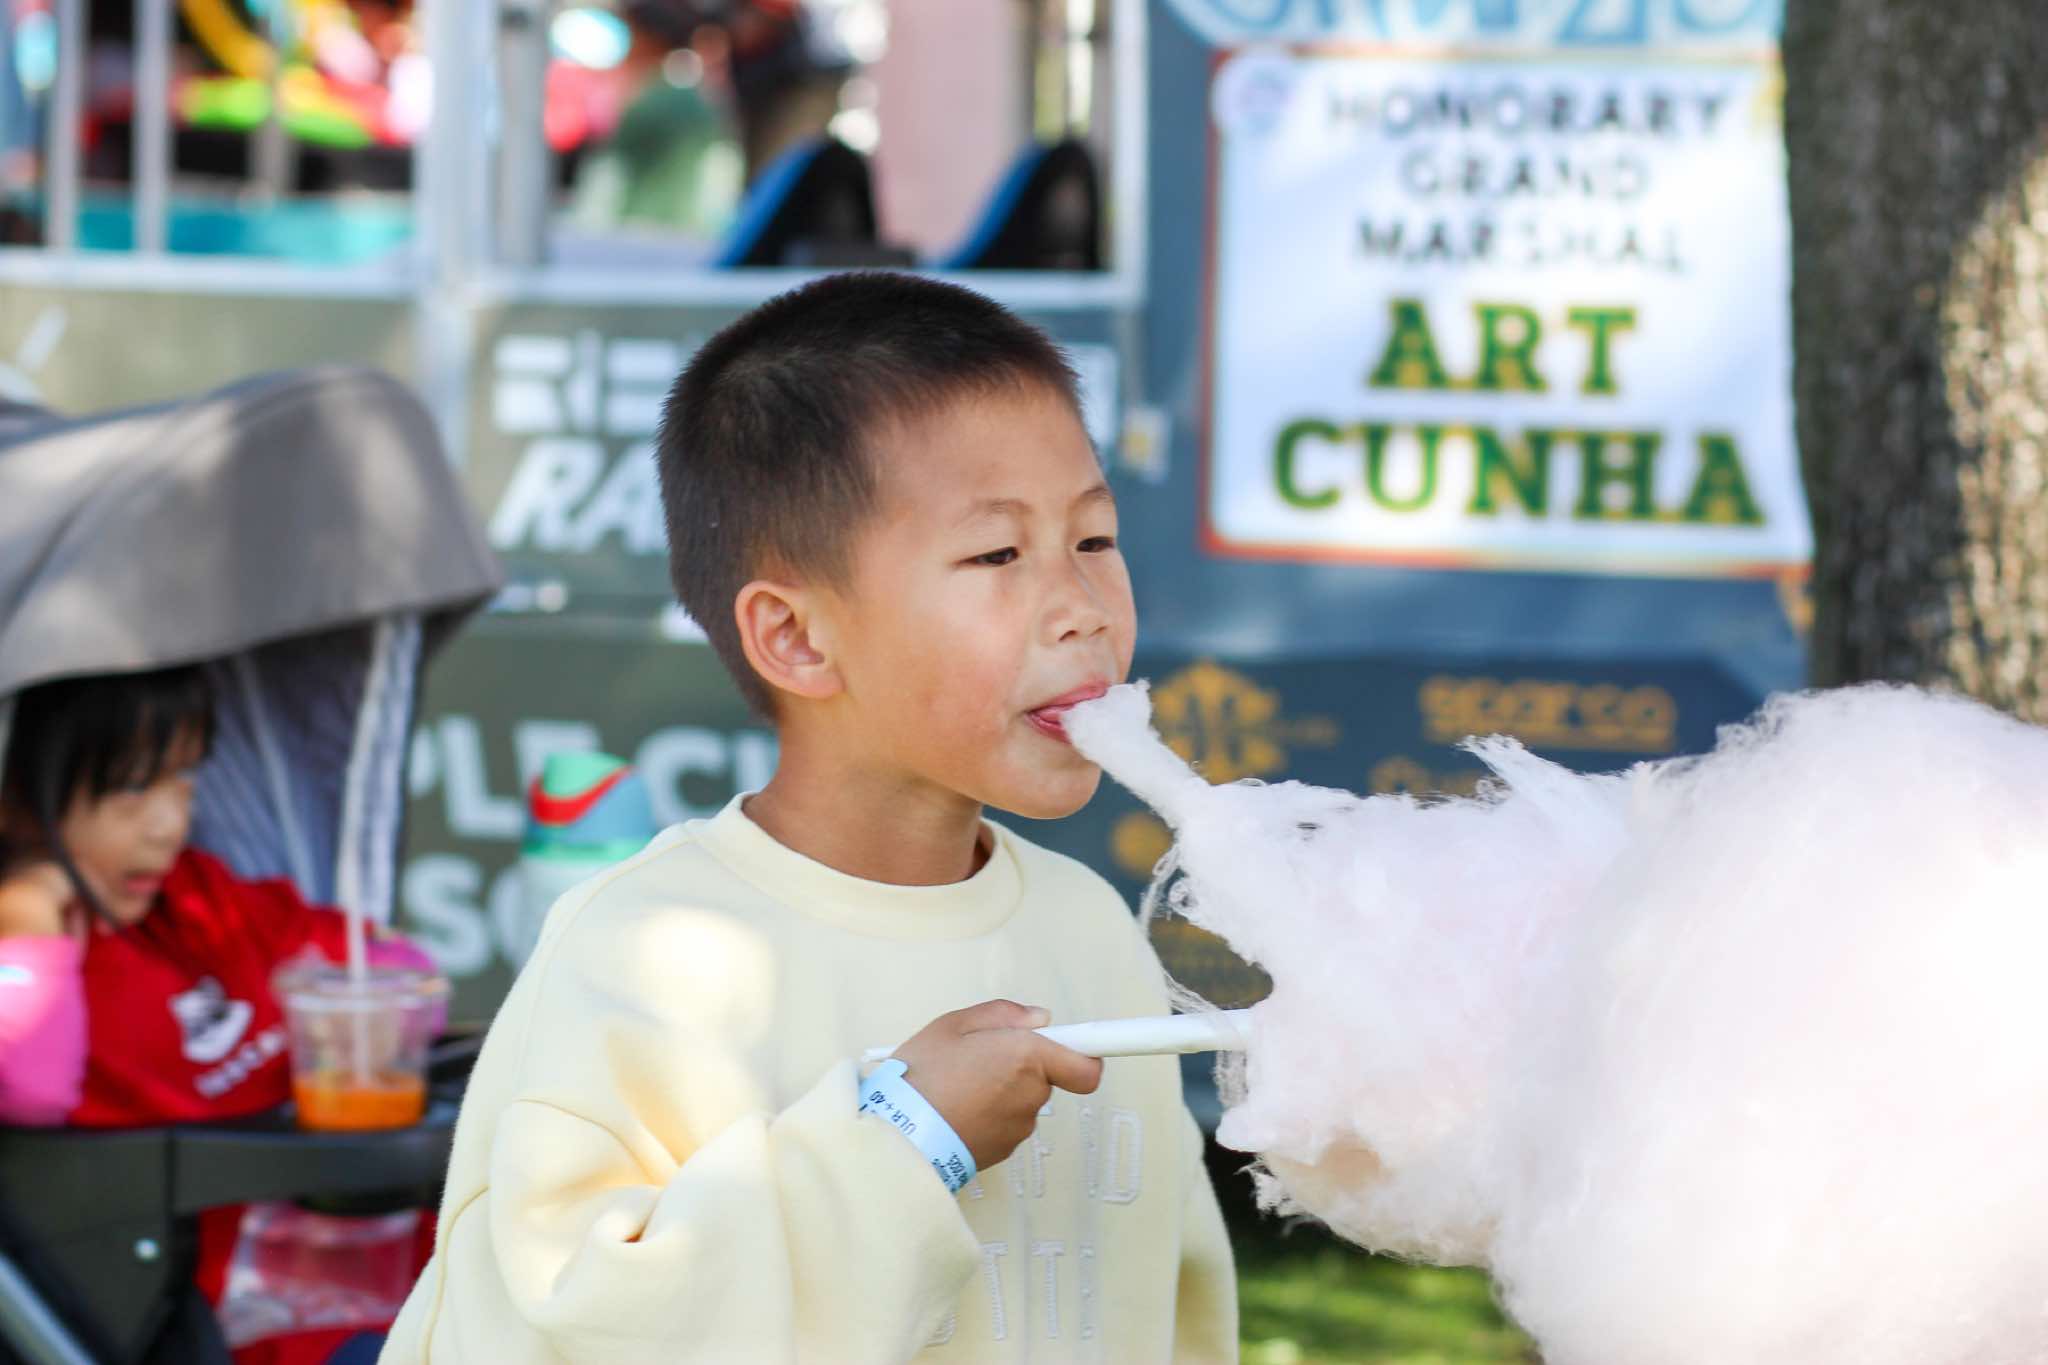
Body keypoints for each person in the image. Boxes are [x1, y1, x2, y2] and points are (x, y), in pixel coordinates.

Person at [382, 272, 1239, 1363]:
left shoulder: (1087, 929)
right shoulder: (639, 958)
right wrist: (905, 1145)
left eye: (1094, 539)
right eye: (997, 554)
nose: (1082, 610)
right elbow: (557, 1325)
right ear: (795, 637)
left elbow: (1174, 1304)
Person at [0, 664, 438, 1365]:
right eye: (131, 787)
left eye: (183, 779)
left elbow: (385, 959)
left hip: (381, 1275)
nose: (169, 824)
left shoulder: (198, 896)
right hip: (223, 1325)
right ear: (16, 795)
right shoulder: (36, 954)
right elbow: (31, 1085)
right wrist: (26, 908)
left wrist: (366, 1015)